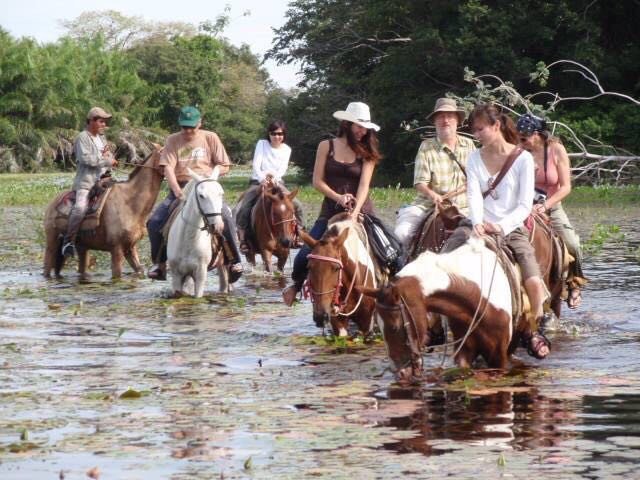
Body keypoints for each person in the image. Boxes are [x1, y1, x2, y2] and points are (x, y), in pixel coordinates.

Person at [466, 103, 550, 359]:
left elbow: (525, 204)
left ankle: (534, 328)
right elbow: (473, 194)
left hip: (511, 228)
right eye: (474, 130)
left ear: (496, 126)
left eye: (481, 129)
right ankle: (436, 325)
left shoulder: (522, 159)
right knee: (445, 258)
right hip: (479, 226)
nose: (477, 135)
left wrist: (499, 226)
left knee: (534, 281)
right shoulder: (473, 157)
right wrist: (478, 224)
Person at [281, 101, 381, 306]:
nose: (363, 131)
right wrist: (338, 197)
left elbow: (364, 187)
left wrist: (354, 214)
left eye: (365, 127)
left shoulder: (367, 151)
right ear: (347, 124)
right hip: (330, 212)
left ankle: (393, 297)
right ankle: (296, 286)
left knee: (392, 252)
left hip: (362, 211)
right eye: (358, 126)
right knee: (303, 257)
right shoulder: (326, 146)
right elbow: (317, 181)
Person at [146, 106, 243, 282]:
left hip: (206, 187)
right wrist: (176, 189)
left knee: (226, 218)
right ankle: (159, 264)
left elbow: (224, 165)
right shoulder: (172, 140)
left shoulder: (210, 137)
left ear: (200, 123)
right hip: (182, 186)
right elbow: (167, 166)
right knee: (154, 222)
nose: (188, 131)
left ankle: (234, 261)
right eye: (185, 127)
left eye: (192, 126)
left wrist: (210, 176)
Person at [516, 114, 587, 309]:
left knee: (572, 243)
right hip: (525, 207)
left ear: (537, 134)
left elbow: (565, 187)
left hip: (551, 206)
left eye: (525, 137)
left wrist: (545, 206)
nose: (521, 142)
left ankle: (574, 284)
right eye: (519, 137)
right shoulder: (520, 151)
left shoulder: (556, 150)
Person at [394, 98, 476, 249]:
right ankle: (398, 269)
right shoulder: (426, 146)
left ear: (457, 120)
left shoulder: (469, 144)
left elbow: (477, 177)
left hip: (465, 207)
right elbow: (420, 183)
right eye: (441, 116)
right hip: (428, 206)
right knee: (401, 234)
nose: (445, 120)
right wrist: (433, 195)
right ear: (435, 121)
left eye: (450, 116)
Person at [235, 120, 304, 253]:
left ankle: (298, 234)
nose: (277, 137)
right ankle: (243, 240)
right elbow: (256, 164)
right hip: (258, 181)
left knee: (298, 205)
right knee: (243, 208)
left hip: (277, 182)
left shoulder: (286, 149)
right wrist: (262, 179)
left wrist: (274, 179)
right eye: (273, 133)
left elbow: (282, 169)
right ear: (269, 134)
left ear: (284, 135)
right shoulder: (262, 144)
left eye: (280, 134)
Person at [61, 107, 117, 258]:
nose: (104, 124)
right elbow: (85, 159)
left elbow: (108, 154)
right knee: (80, 208)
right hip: (86, 183)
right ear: (91, 121)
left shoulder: (101, 138)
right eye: (101, 121)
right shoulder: (82, 138)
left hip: (105, 180)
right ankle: (68, 241)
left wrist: (111, 160)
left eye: (105, 122)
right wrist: (107, 160)